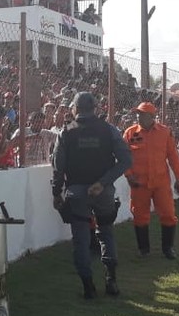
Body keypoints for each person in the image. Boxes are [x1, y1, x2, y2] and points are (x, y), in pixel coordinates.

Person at [52, 92, 132, 299]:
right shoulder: (109, 130)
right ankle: (111, 280)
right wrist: (102, 183)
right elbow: (125, 161)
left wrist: (56, 193)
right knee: (106, 232)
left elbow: (58, 168)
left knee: (80, 239)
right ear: (95, 108)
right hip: (103, 191)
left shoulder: (66, 133)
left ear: (75, 109)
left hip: (77, 192)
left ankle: (88, 286)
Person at [123, 102, 179, 260]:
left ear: (152, 116)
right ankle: (143, 249)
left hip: (161, 183)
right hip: (139, 184)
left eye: (142, 114)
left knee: (169, 214)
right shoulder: (130, 133)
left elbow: (173, 156)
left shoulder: (165, 132)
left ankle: (168, 248)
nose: (138, 116)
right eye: (137, 113)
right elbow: (123, 156)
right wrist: (129, 175)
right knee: (139, 215)